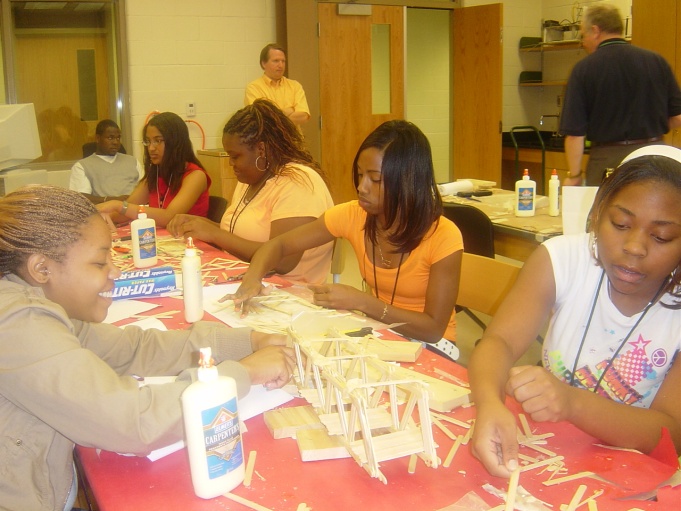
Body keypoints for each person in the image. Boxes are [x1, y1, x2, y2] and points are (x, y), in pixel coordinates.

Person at [0, 184, 295, 511]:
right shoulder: (18, 323)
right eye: (99, 263)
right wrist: (247, 372)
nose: (115, 271)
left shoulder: (37, 306)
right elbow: (132, 422)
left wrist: (248, 341)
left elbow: (134, 348)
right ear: (42, 269)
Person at [468, 151, 681, 478]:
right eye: (620, 224)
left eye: (661, 236)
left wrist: (571, 402)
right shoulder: (564, 259)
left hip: (634, 470)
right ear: (597, 215)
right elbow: (500, 341)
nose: (635, 247)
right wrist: (488, 404)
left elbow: (671, 433)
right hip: (553, 448)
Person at [224, 120, 464, 352]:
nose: (362, 187)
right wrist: (252, 279)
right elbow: (278, 245)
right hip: (383, 333)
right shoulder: (354, 215)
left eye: (375, 179)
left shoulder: (443, 235)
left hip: (432, 346)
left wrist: (360, 302)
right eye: (360, 175)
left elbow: (433, 328)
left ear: (409, 181)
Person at [168, 99, 334, 284]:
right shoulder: (251, 180)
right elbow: (238, 234)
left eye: (235, 156)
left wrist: (214, 234)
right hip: (245, 279)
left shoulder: (298, 182)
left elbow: (282, 261)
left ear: (261, 149)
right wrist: (200, 224)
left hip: (290, 292)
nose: (231, 163)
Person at [559, 3, 681, 187]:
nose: (583, 42)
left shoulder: (584, 69)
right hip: (654, 157)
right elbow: (678, 117)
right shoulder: (657, 61)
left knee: (608, 213)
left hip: (608, 160)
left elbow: (575, 135)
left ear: (596, 30)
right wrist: (651, 125)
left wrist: (574, 175)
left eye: (584, 35)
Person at [97, 112, 210, 228]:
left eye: (158, 141)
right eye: (148, 141)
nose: (151, 148)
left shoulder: (196, 176)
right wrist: (101, 215)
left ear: (176, 142)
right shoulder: (156, 173)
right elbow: (126, 212)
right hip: (164, 240)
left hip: (192, 242)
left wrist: (118, 205)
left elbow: (168, 217)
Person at [69, 119, 143, 203]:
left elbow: (146, 190)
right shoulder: (82, 166)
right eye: (110, 138)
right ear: (97, 138)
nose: (116, 142)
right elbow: (81, 199)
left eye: (118, 138)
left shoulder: (133, 162)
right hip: (104, 213)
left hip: (136, 211)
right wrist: (112, 200)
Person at [244, 43, 310, 128]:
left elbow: (303, 116)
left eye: (283, 61)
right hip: (268, 141)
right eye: (276, 61)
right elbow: (262, 120)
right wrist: (291, 110)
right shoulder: (253, 88)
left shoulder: (295, 86)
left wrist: (275, 115)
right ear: (264, 63)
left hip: (293, 140)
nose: (281, 65)